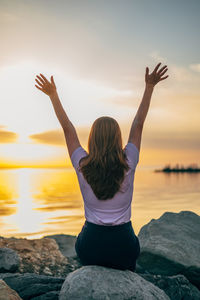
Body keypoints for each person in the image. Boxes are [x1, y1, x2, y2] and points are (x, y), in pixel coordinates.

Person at [35, 62, 169, 271]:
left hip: (91, 245)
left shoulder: (82, 164)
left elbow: (67, 128)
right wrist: (149, 87)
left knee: (83, 240)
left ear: (92, 138)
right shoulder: (129, 161)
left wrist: (53, 96)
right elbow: (138, 124)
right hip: (123, 245)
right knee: (129, 254)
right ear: (118, 137)